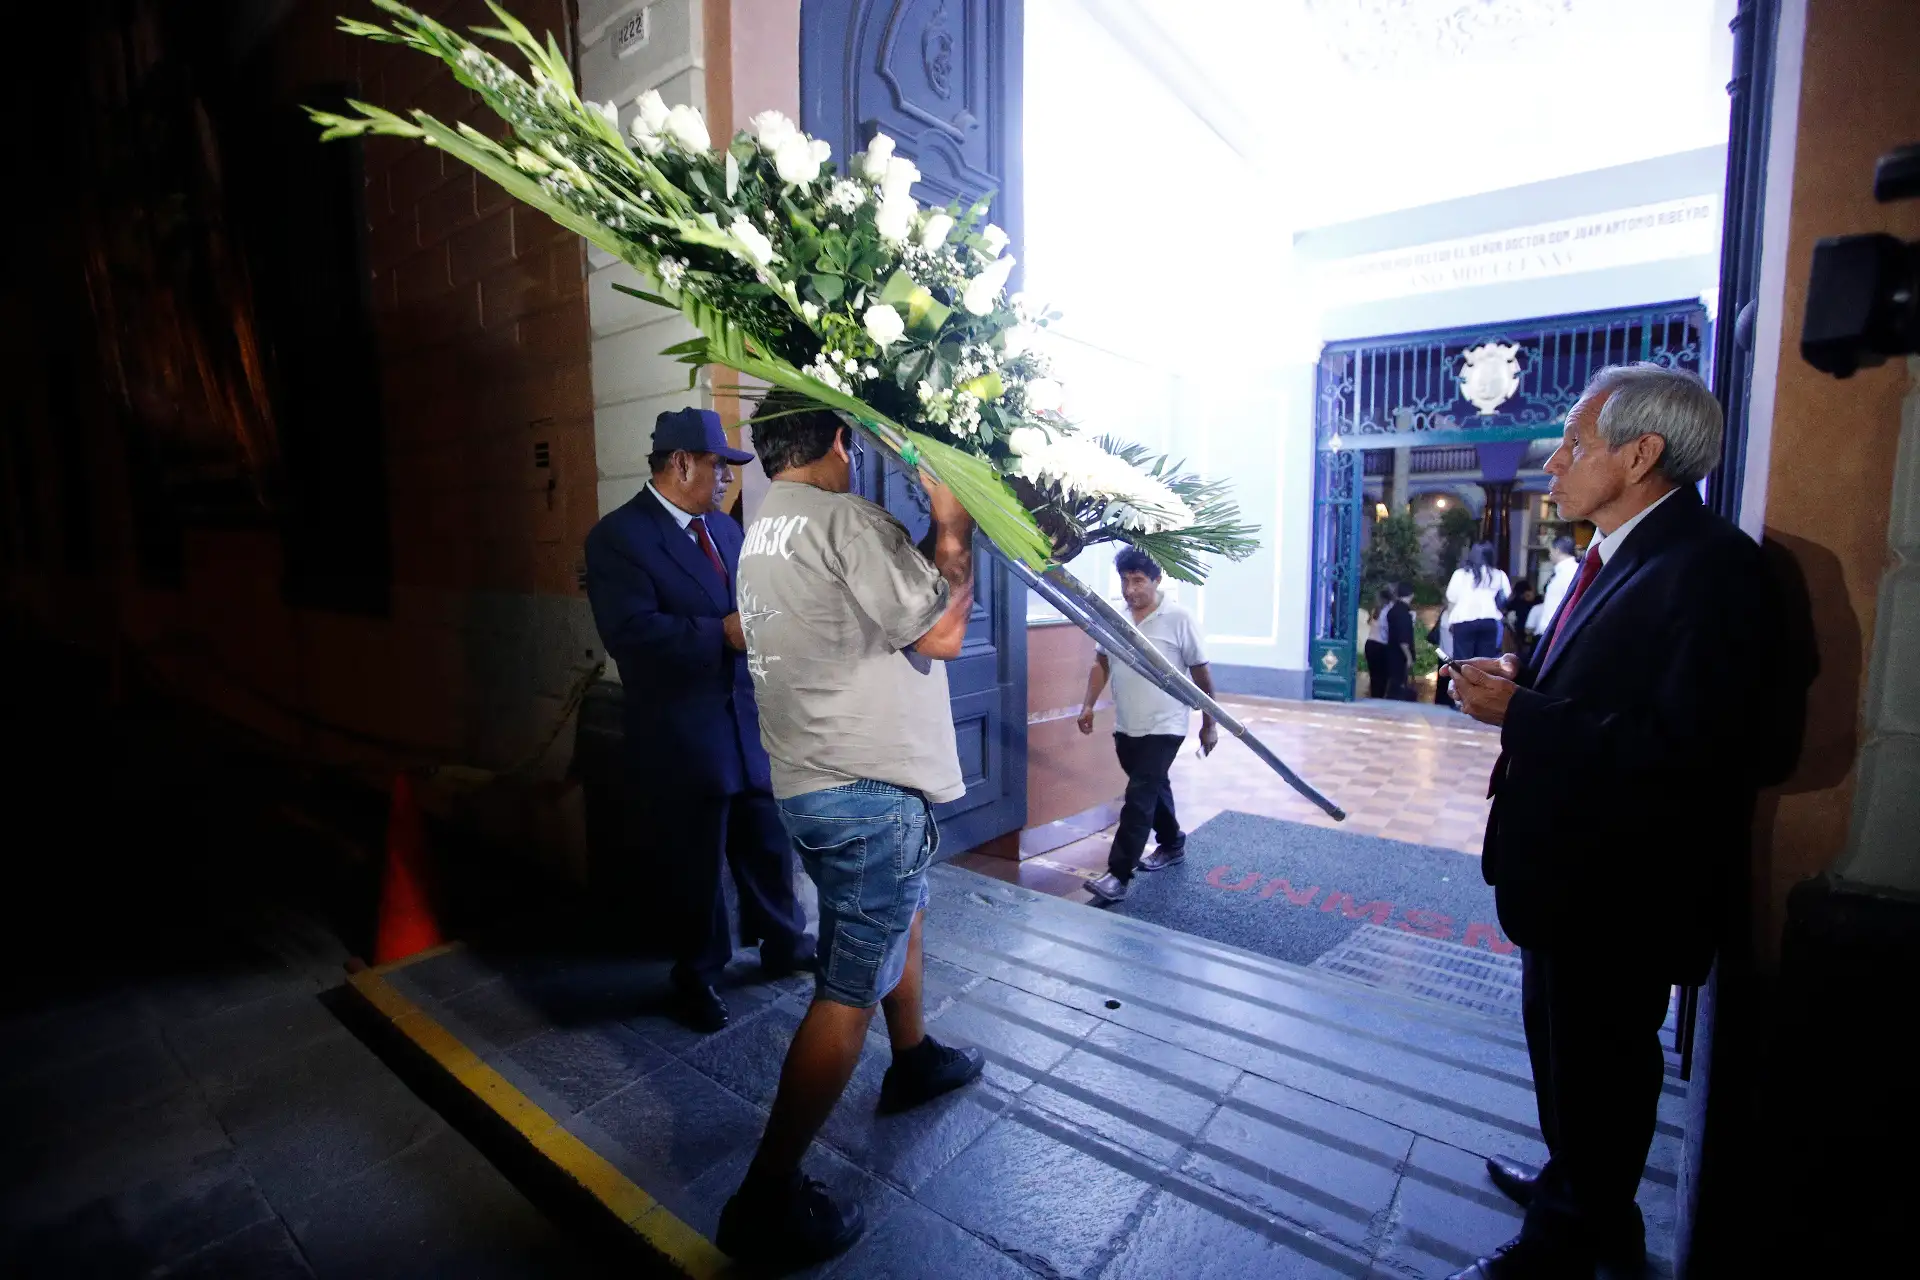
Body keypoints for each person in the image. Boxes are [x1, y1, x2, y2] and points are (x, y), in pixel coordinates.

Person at [1449, 365, 1804, 1280]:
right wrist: (1529, 686)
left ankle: (1576, 1239)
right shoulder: (1615, 550)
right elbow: (1618, 689)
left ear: (1641, 454)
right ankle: (1577, 1185)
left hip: (1624, 885)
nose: (1552, 462)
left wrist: (1518, 715)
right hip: (1563, 867)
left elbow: (1694, 750)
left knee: (1604, 1065)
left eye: (1574, 442)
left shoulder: (1713, 570)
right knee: (1566, 1055)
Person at [717, 397, 985, 1268]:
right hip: (866, 793)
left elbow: (865, 606)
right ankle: (766, 1194)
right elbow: (941, 630)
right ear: (840, 441)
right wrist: (953, 521)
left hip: (812, 783)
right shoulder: (844, 518)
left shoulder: (764, 528)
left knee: (900, 915)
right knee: (846, 984)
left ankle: (913, 1057)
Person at [583, 407, 812, 1035]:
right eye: (718, 467)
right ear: (681, 462)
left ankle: (783, 941)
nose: (726, 480)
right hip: (682, 731)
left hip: (746, 719)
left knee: (766, 839)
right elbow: (630, 635)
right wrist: (721, 634)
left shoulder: (728, 533)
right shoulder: (618, 538)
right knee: (695, 860)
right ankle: (697, 972)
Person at [1075, 549, 1217, 905]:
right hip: (1128, 725)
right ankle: (1171, 843)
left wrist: (1209, 724)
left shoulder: (1178, 618)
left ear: (1157, 580)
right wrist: (1088, 704)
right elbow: (1101, 663)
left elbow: (1201, 673)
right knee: (1152, 787)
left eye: (1138, 580)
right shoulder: (1116, 618)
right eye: (1125, 580)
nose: (1129, 589)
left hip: (1166, 724)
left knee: (1138, 798)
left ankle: (1118, 875)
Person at [1446, 541, 1512, 666]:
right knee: (1485, 663)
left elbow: (1452, 601)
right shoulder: (1499, 575)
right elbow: (1507, 598)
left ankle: (1462, 685)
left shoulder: (1460, 574)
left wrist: (1450, 621)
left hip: (1463, 621)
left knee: (1462, 663)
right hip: (1489, 621)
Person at [1535, 534, 1579, 640]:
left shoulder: (1571, 572)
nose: (1550, 555)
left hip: (1557, 633)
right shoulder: (1568, 572)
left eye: (1551, 551)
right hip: (1552, 631)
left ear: (1557, 550)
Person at [1384, 581, 1418, 701]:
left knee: (1393, 683)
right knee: (1399, 686)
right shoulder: (1404, 614)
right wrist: (1409, 657)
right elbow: (1403, 640)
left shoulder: (1392, 611)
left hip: (1391, 652)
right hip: (1401, 656)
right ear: (1411, 595)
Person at [1364, 585, 1394, 699]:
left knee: (1374, 675)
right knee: (1383, 676)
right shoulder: (1388, 611)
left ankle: (1375, 696)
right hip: (1381, 645)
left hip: (1370, 644)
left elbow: (1369, 623)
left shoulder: (1375, 610)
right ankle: (1379, 697)